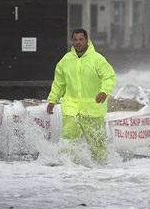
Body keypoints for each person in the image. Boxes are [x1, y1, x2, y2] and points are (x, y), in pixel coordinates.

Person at [46, 29, 116, 164]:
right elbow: (59, 83)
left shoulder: (97, 59)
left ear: (86, 40)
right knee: (68, 139)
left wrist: (104, 91)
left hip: (93, 110)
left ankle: (101, 169)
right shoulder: (66, 60)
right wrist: (52, 100)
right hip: (72, 108)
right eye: (75, 40)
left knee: (97, 145)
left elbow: (109, 77)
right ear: (72, 41)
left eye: (81, 39)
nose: (78, 43)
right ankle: (64, 166)